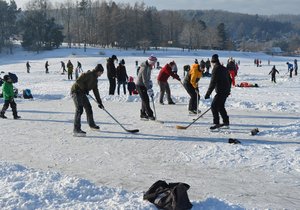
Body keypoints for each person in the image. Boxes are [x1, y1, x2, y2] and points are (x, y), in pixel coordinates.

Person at [70, 64, 104, 137]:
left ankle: (92, 125)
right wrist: (84, 88)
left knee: (88, 107)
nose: (101, 74)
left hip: (82, 93)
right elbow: (78, 80)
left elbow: (96, 91)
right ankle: (76, 129)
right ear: (98, 71)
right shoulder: (89, 74)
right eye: (101, 72)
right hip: (76, 91)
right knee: (79, 109)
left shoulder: (95, 80)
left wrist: (99, 102)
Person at [205, 54, 231, 130]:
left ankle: (216, 123)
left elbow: (213, 82)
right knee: (220, 106)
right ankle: (226, 121)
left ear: (213, 62)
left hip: (221, 91)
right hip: (225, 91)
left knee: (214, 106)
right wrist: (228, 90)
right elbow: (230, 80)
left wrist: (208, 93)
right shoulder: (224, 68)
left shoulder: (215, 69)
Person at [136, 55, 157, 120]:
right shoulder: (144, 68)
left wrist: (150, 83)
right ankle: (150, 115)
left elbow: (148, 78)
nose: (154, 64)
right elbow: (144, 80)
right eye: (154, 62)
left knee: (144, 99)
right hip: (139, 85)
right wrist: (149, 89)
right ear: (150, 62)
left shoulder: (149, 67)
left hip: (144, 85)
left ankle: (143, 113)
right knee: (146, 100)